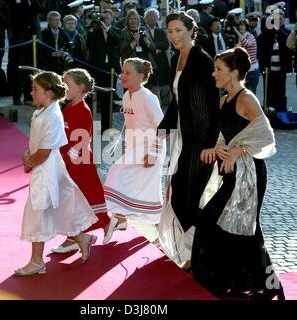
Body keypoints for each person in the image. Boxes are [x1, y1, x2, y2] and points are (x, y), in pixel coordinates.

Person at [191, 47, 285, 300]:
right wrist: (217, 148)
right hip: (232, 176)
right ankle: (256, 282)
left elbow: (267, 138)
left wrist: (237, 151)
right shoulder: (224, 100)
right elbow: (223, 136)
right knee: (235, 228)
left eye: (219, 69)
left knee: (233, 227)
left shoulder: (247, 99)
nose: (214, 74)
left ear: (234, 73)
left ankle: (258, 283)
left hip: (250, 176)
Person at [14, 71, 98, 276]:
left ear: (49, 93)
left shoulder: (52, 116)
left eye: (36, 89)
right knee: (55, 210)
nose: (32, 92)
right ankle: (81, 238)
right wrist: (28, 156)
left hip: (47, 171)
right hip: (46, 168)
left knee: (37, 214)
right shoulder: (43, 112)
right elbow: (36, 145)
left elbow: (43, 152)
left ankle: (36, 262)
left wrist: (29, 162)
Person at [157, 11, 219, 270]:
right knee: (181, 192)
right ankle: (192, 250)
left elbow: (213, 105)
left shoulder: (203, 61)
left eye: (178, 30)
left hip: (201, 140)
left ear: (190, 31)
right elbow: (177, 100)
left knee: (188, 192)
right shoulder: (176, 60)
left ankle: (198, 252)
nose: (173, 36)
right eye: (170, 31)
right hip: (184, 136)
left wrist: (209, 143)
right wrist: (163, 128)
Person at [51, 68, 118, 254]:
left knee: (78, 197)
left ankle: (77, 235)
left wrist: (67, 160)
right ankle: (81, 233)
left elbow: (83, 139)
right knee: (80, 198)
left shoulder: (83, 110)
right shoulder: (70, 106)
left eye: (67, 85)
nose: (63, 88)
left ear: (80, 87)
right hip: (71, 160)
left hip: (78, 162)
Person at [104, 58, 166, 243]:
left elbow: (164, 128)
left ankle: (161, 232)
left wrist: (154, 153)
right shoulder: (126, 96)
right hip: (135, 148)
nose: (122, 76)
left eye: (128, 73)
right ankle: (122, 219)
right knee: (133, 186)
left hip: (150, 149)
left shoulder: (148, 97)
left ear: (140, 76)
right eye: (122, 72)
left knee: (119, 175)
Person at [233, 19, 260, 94]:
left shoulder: (250, 36)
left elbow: (246, 43)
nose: (240, 27)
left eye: (242, 25)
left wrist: (236, 31)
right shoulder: (239, 38)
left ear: (246, 27)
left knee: (251, 94)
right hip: (243, 70)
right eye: (239, 26)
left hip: (252, 71)